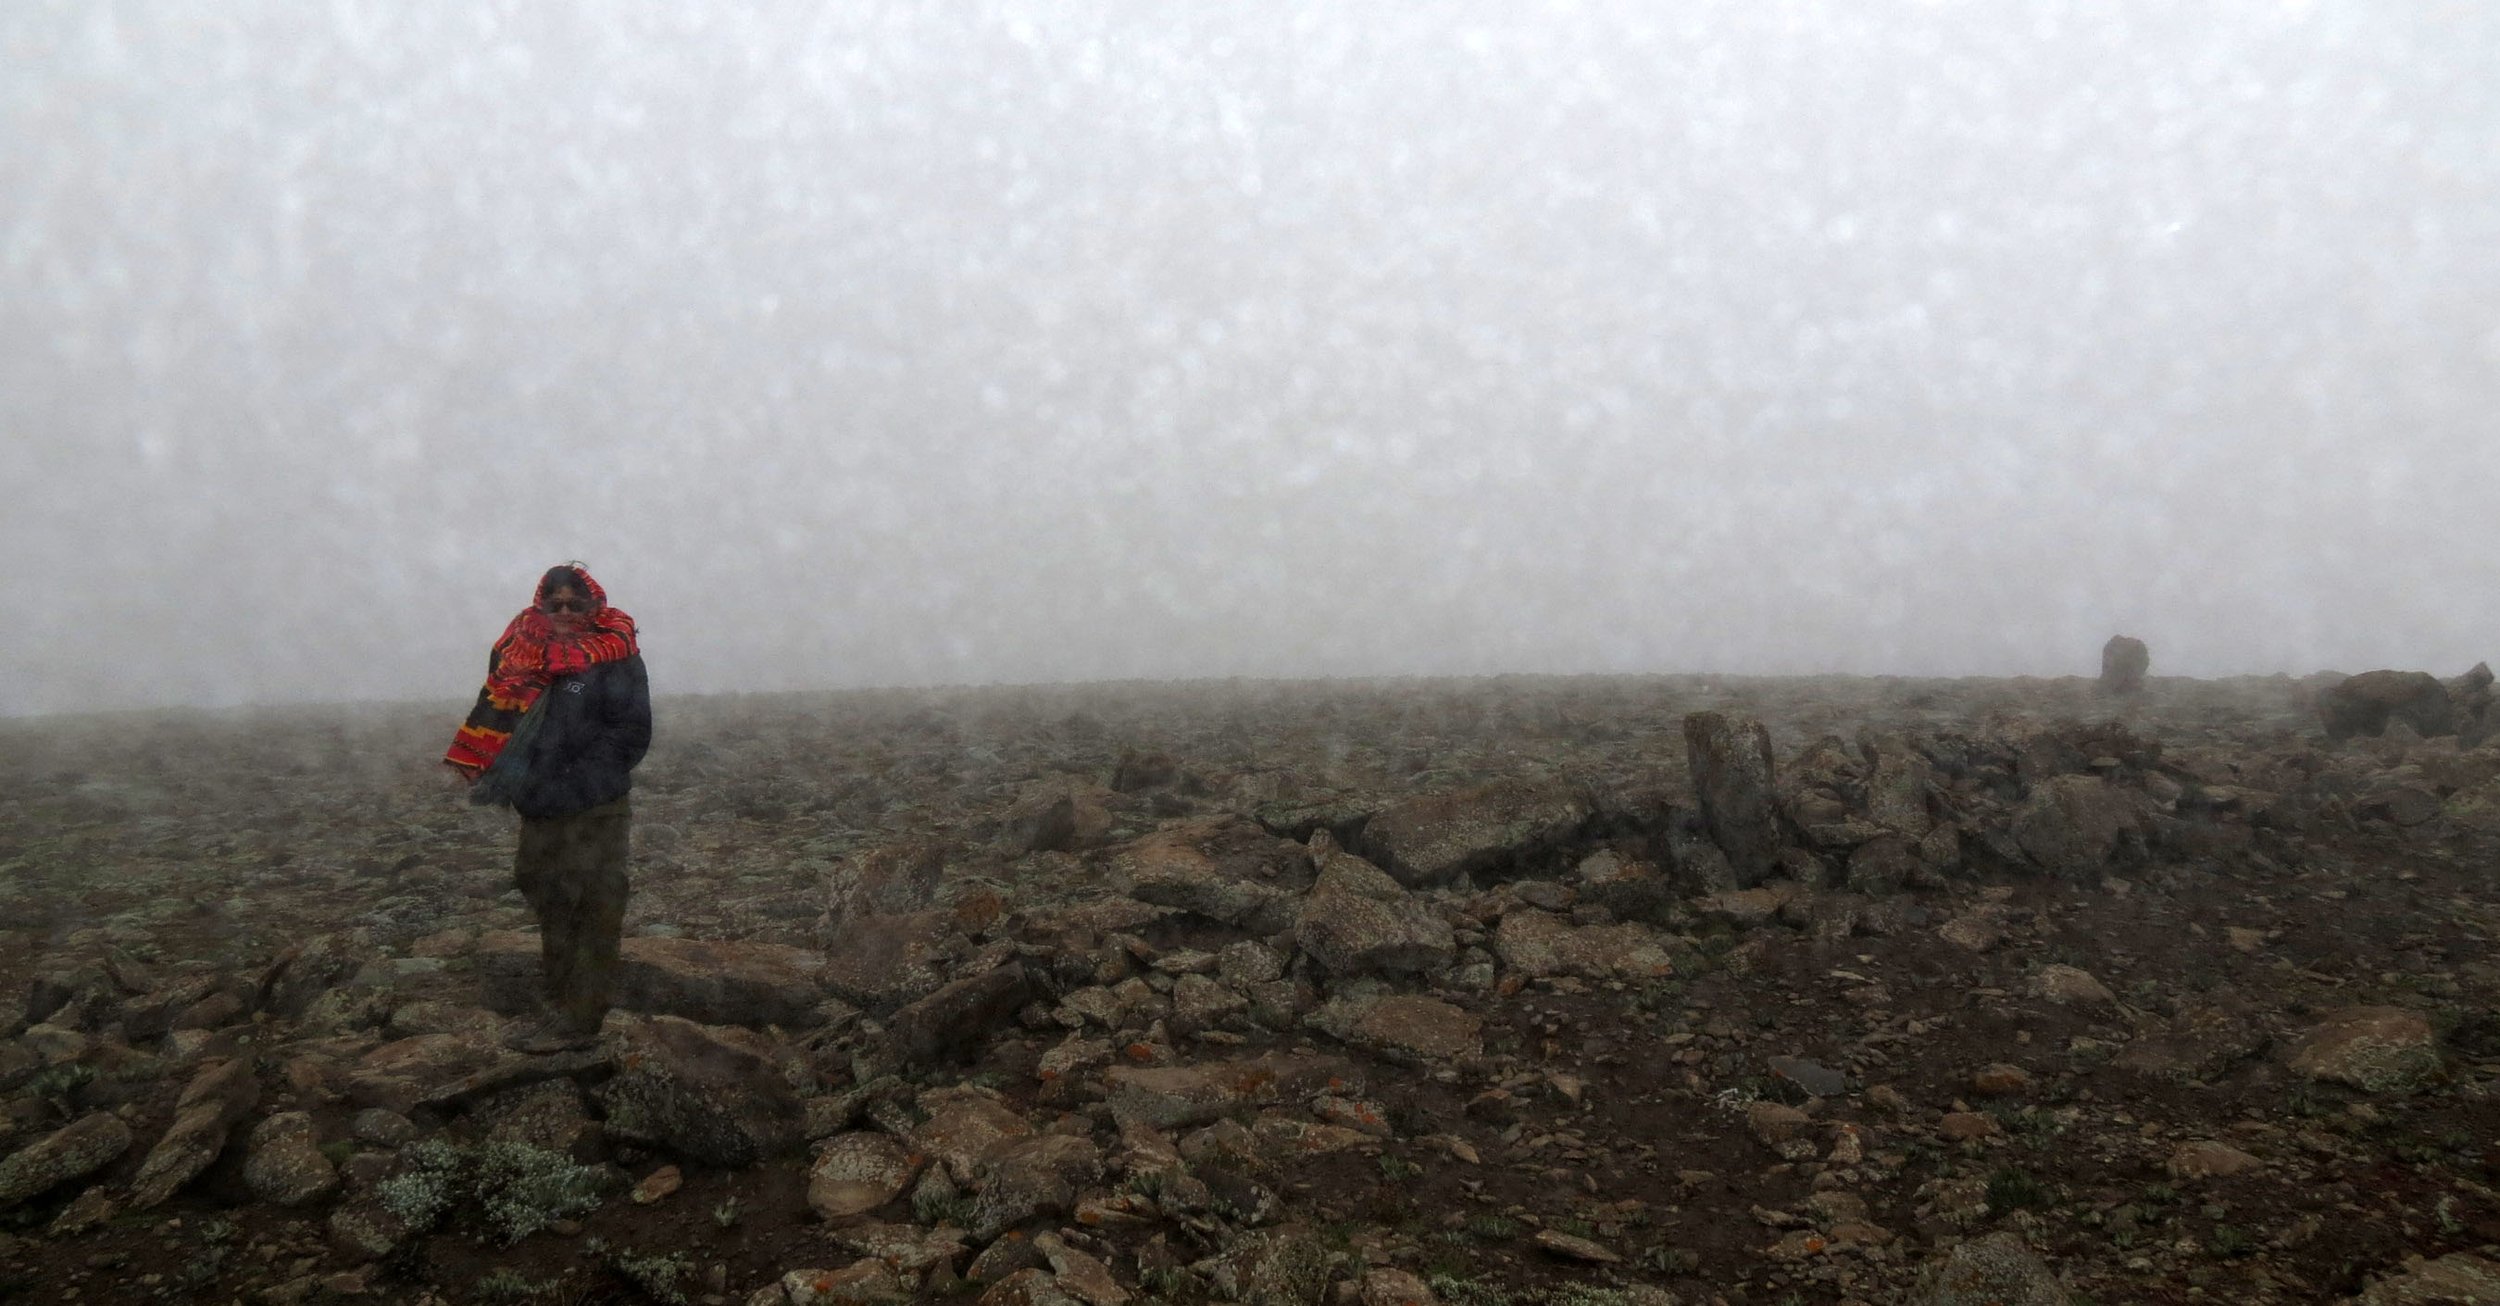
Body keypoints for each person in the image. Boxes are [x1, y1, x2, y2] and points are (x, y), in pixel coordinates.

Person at [445, 563, 651, 1053]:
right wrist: (523, 785)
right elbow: (499, 719)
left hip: (595, 805)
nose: (562, 611)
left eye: (574, 604)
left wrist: (576, 785)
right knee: (546, 893)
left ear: (593, 606)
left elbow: (630, 734)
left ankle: (583, 1018)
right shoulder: (517, 650)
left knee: (595, 902)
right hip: (537, 802)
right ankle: (560, 1004)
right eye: (553, 603)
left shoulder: (616, 656)